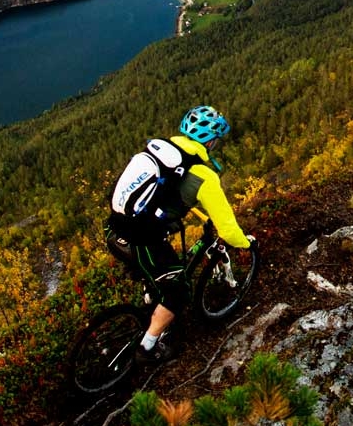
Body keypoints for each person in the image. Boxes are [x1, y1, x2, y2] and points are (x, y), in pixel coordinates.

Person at [106, 104, 254, 363]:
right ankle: (147, 347)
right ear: (210, 141)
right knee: (179, 292)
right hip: (141, 242)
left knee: (159, 272)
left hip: (114, 229)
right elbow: (229, 230)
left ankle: (151, 300)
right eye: (216, 140)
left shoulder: (164, 150)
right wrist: (245, 244)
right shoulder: (204, 177)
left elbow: (165, 194)